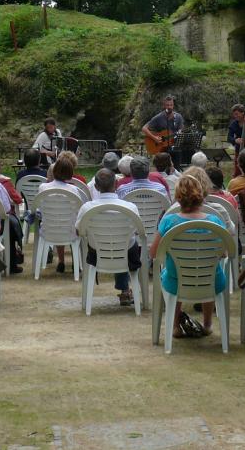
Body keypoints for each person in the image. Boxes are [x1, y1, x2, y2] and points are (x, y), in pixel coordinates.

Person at [151, 173, 227, 338]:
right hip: (211, 280)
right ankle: (207, 324)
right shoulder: (216, 221)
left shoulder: (169, 221)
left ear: (178, 198)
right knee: (211, 270)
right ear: (201, 196)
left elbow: (154, 253)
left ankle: (176, 326)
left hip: (176, 281)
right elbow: (224, 253)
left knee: (171, 272)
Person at [75, 168, 142, 306]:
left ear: (96, 187)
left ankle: (124, 290)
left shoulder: (87, 208)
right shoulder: (130, 207)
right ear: (116, 184)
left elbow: (78, 232)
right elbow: (137, 232)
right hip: (126, 253)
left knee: (119, 242)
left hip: (97, 253)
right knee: (126, 242)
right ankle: (126, 290)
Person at [39, 152, 81, 273]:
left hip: (49, 229)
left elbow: (41, 207)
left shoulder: (43, 188)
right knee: (73, 223)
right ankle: (76, 261)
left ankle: (61, 261)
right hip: (70, 229)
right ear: (70, 173)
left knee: (58, 221)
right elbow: (78, 209)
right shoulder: (73, 189)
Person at [142, 95, 184, 167]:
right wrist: (154, 138)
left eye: (171, 105)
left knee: (177, 162)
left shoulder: (178, 117)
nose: (169, 107)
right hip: (162, 148)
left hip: (174, 147)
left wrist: (180, 132)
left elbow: (181, 129)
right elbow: (144, 128)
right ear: (164, 106)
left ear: (173, 106)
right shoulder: (159, 117)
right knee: (163, 168)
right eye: (167, 105)